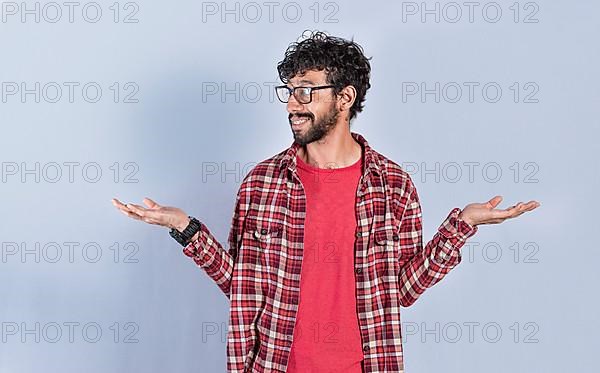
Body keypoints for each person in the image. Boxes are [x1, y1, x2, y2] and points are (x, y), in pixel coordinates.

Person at [112, 30, 540, 373]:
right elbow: (242, 287)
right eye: (290, 91)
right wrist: (185, 228)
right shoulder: (262, 183)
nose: (292, 104)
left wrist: (461, 226)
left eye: (306, 91)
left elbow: (402, 290)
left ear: (345, 97)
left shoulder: (393, 185)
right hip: (274, 364)